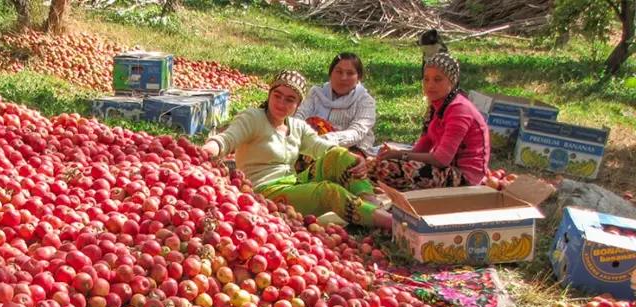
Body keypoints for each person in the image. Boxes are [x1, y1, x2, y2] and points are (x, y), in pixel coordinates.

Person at [202, 70, 392, 230]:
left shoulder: (296, 126)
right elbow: (227, 139)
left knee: (339, 155)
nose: (281, 104)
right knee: (328, 192)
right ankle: (388, 223)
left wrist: (351, 157)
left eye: (290, 100)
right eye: (277, 96)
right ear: (269, 94)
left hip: (293, 183)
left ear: (298, 105)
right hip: (264, 193)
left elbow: (321, 147)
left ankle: (373, 206)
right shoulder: (253, 118)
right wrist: (206, 151)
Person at [372, 53, 490, 190]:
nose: (430, 85)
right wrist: (394, 153)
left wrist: (400, 155)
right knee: (374, 165)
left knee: (387, 168)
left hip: (464, 177)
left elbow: (441, 159)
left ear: (451, 82)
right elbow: (421, 149)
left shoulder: (459, 109)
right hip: (445, 169)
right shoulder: (436, 107)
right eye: (426, 80)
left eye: (438, 80)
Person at [295, 53, 377, 151]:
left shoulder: (365, 101)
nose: (343, 78)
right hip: (309, 145)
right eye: (338, 71)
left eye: (350, 73)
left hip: (350, 151)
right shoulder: (316, 94)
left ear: (358, 78)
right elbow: (299, 117)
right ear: (330, 74)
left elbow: (357, 132)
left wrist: (323, 141)